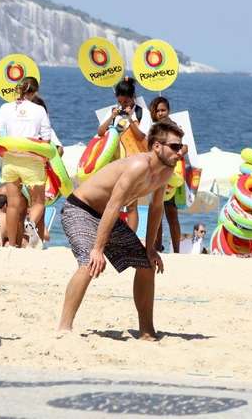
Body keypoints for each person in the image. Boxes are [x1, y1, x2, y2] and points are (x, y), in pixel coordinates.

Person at [58, 120, 184, 339]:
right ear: (156, 146)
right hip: (80, 209)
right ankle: (64, 328)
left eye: (180, 147)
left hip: (107, 216)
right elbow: (114, 205)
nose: (179, 152)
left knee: (146, 265)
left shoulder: (165, 171)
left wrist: (151, 248)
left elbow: (156, 209)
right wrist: (98, 248)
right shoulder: (138, 166)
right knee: (89, 262)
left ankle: (146, 330)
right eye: (174, 146)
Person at [0, 77, 51, 248]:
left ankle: (12, 244)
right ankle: (30, 223)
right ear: (35, 92)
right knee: (38, 202)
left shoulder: (5, 108)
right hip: (32, 160)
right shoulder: (39, 110)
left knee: (13, 205)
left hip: (10, 160)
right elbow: (46, 140)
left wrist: (8, 140)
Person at [96, 77, 147, 232]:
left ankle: (131, 238)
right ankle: (112, 234)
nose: (123, 105)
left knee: (131, 204)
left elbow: (142, 137)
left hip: (134, 162)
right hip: (114, 162)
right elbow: (100, 132)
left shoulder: (141, 112)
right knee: (112, 201)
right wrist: (113, 116)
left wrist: (130, 119)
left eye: (126, 102)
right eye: (121, 102)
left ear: (132, 98)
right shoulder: (113, 111)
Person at [148, 96, 187, 253]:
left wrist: (178, 154)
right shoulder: (155, 128)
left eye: (163, 110)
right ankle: (157, 246)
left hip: (170, 174)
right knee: (157, 211)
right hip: (157, 173)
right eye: (157, 111)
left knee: (171, 213)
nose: (160, 113)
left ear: (168, 110)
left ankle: (176, 250)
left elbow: (184, 147)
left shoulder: (173, 127)